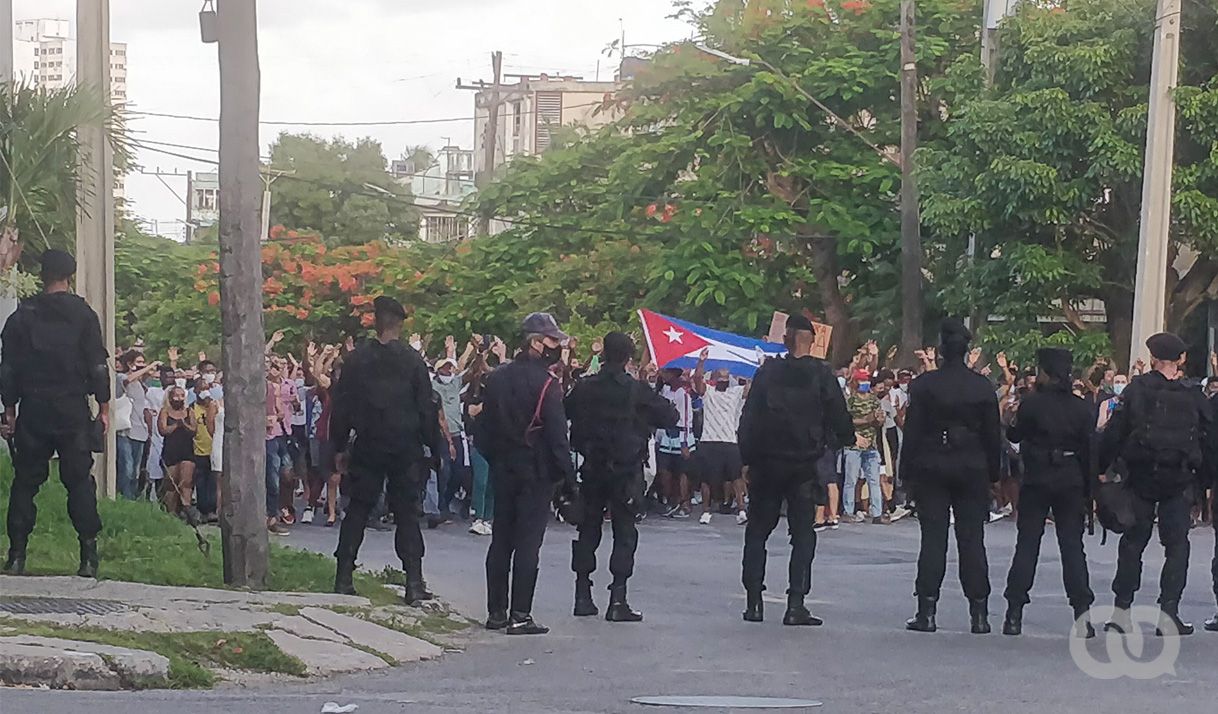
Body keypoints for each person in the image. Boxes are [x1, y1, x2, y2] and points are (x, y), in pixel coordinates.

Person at [738, 315, 853, 625]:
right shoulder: (821, 375)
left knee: (757, 533)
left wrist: (746, 459)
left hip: (767, 464)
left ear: (786, 339)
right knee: (803, 535)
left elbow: (748, 418)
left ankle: (754, 603)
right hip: (804, 465)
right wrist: (837, 440)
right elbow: (841, 419)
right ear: (813, 342)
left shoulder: (767, 373)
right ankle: (795, 603)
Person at [1, 250, 109, 577]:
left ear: (42, 274)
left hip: (33, 409)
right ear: (70, 275)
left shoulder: (22, 316)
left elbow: (8, 369)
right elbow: (98, 366)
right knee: (78, 482)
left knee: (25, 482)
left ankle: (17, 555)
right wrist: (103, 408)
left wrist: (9, 410)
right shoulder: (83, 315)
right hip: (71, 408)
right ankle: (88, 556)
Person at [1100, 333, 1213, 637]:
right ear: (1182, 360)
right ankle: (1169, 613)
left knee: (1133, 544)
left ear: (1152, 359)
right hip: (1179, 480)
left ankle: (1122, 612)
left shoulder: (1137, 389)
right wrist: (1206, 481)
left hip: (1140, 477)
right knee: (1177, 547)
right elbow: (1209, 438)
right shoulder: (1193, 395)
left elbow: (1115, 431)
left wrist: (1101, 469)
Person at [330, 296, 441, 604]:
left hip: (368, 444)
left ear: (375, 322)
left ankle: (343, 578)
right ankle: (413, 582)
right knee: (406, 513)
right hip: (405, 445)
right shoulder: (412, 360)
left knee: (358, 509)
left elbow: (341, 407)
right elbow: (426, 408)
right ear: (400, 324)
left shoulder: (357, 360)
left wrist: (339, 446)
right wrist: (435, 447)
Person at [566, 332, 678, 622]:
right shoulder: (636, 390)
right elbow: (670, 416)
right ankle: (618, 598)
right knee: (624, 534)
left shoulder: (585, 387)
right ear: (628, 357)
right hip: (626, 471)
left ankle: (582, 595)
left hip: (592, 467)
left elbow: (565, 411)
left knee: (588, 531)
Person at [478, 313, 576, 635]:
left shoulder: (497, 378)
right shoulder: (548, 384)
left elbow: (482, 430)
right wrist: (569, 480)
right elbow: (558, 437)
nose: (558, 346)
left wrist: (496, 459)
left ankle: (496, 613)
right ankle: (520, 614)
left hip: (503, 468)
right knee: (528, 545)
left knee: (501, 540)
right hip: (535, 472)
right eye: (553, 340)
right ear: (536, 342)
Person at [903, 319, 1002, 635]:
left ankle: (927, 610)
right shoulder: (982, 387)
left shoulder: (924, 386)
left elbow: (913, 432)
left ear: (942, 351)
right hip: (972, 465)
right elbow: (991, 435)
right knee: (972, 539)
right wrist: (994, 474)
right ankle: (979, 613)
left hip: (932, 463)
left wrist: (907, 473)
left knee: (933, 539)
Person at [1001, 348, 1096, 638]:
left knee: (1027, 545)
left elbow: (1015, 435)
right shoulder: (1081, 408)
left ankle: (1014, 612)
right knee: (1072, 548)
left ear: (1045, 372)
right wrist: (1091, 492)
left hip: (1038, 477)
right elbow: (1091, 452)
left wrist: (1008, 417)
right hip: (1070, 478)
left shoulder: (1032, 404)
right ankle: (1082, 615)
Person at [689, 350, 748, 526]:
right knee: (707, 479)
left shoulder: (735, 392)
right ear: (714, 378)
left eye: (726, 377)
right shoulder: (709, 392)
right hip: (709, 441)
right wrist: (701, 362)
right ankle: (706, 511)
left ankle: (742, 510)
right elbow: (698, 381)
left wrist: (756, 366)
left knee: (736, 477)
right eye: (720, 377)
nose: (723, 380)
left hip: (729, 441)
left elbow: (751, 387)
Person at [843, 369, 886, 524]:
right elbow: (847, 421)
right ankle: (848, 511)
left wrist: (879, 419)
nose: (865, 383)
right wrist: (866, 420)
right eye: (862, 380)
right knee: (851, 480)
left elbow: (878, 419)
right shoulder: (851, 400)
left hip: (871, 446)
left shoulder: (874, 400)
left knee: (874, 480)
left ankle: (877, 513)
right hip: (853, 446)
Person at [655, 367, 697, 518]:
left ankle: (685, 503)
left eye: (666, 372)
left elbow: (686, 419)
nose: (663, 374)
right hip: (667, 435)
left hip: (681, 436)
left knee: (682, 472)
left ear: (673, 374)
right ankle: (672, 500)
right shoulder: (665, 390)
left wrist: (684, 443)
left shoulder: (683, 394)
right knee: (665, 471)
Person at [115, 350, 158, 500]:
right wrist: (149, 367)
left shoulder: (141, 383)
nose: (142, 366)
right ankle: (124, 497)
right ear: (130, 363)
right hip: (125, 430)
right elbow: (127, 380)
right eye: (138, 362)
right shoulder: (121, 377)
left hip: (140, 430)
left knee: (135, 469)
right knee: (126, 467)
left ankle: (132, 498)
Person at [158, 385, 198, 517]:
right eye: (176, 396)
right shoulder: (165, 411)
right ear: (170, 397)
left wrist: (184, 425)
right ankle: (171, 512)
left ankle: (186, 509)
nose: (179, 399)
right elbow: (162, 430)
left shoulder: (189, 411)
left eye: (182, 396)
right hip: (171, 450)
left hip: (186, 450)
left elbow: (194, 430)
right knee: (171, 483)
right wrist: (175, 425)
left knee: (186, 481)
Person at [189, 378, 219, 522]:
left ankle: (212, 510)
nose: (205, 392)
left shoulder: (215, 407)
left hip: (214, 449)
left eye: (207, 388)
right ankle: (202, 510)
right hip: (198, 450)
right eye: (201, 389)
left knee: (213, 482)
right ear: (195, 391)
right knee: (200, 482)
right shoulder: (191, 408)